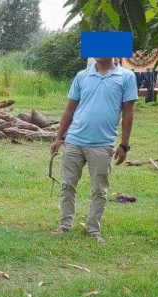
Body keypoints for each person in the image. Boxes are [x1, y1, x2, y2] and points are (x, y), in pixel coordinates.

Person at [49, 57, 138, 243]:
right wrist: (59, 138)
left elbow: (128, 111)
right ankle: (65, 224)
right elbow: (70, 109)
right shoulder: (82, 76)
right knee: (67, 184)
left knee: (99, 189)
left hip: (102, 144)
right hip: (74, 141)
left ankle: (93, 229)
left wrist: (124, 144)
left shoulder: (126, 77)